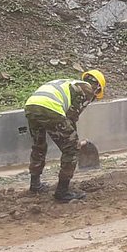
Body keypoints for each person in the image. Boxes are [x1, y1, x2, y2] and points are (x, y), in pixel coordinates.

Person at [24, 70, 106, 202]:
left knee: (39, 145)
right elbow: (71, 117)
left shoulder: (69, 83)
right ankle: (62, 192)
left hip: (32, 105)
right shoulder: (87, 89)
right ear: (97, 88)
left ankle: (35, 185)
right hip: (50, 107)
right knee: (71, 149)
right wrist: (75, 141)